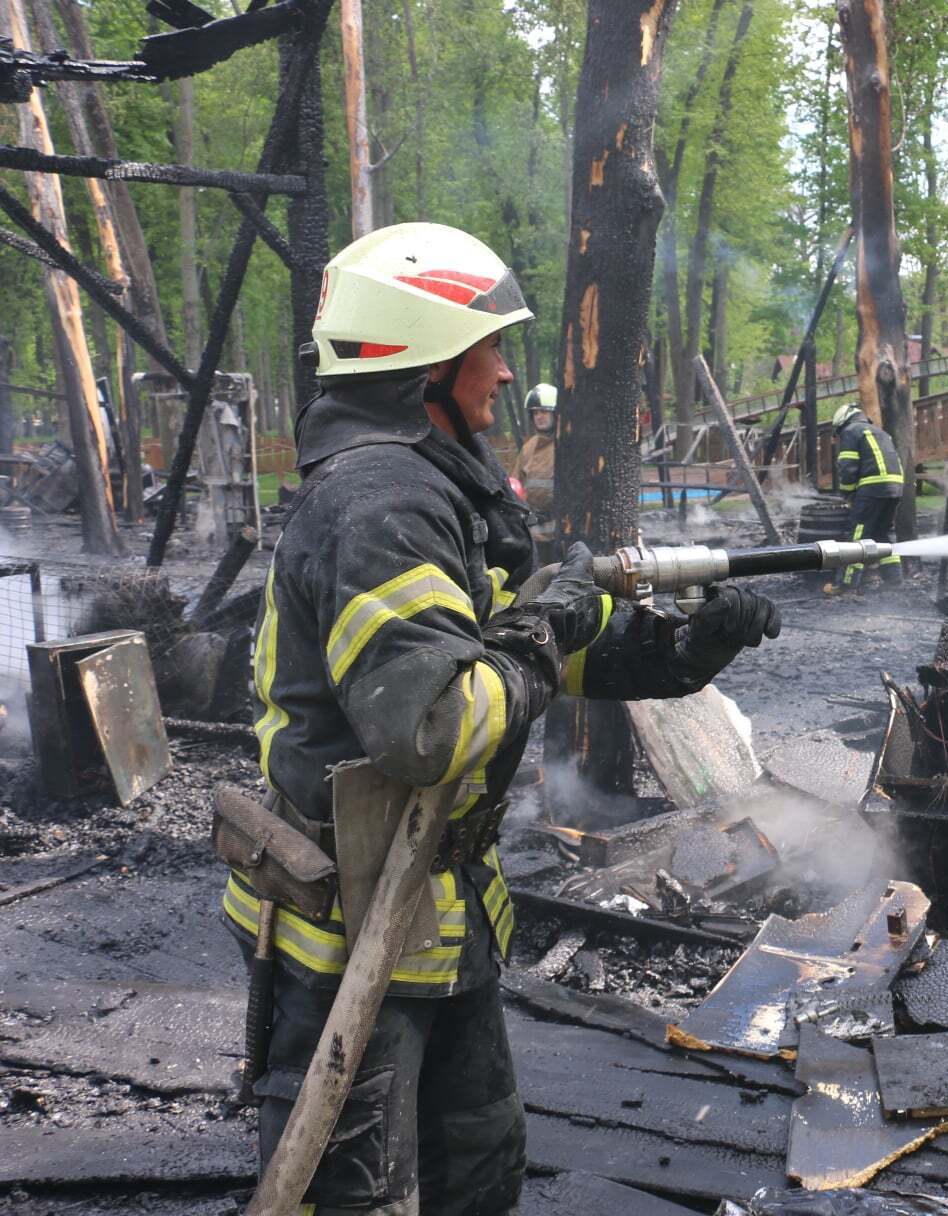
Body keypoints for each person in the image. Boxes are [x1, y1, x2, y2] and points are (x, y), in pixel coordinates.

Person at [224, 222, 781, 1215]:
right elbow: (431, 723)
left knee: (474, 1170)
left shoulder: (432, 489)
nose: (505, 369)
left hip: (436, 911)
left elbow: (536, 639)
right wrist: (545, 628)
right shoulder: (383, 506)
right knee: (357, 1195)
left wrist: (686, 649)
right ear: (423, 364)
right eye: (487, 346)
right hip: (358, 931)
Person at [828, 401, 905, 593]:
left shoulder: (850, 431)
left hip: (873, 487)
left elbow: (847, 467)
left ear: (841, 422)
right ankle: (894, 580)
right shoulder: (879, 431)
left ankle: (846, 584)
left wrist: (848, 493)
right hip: (895, 487)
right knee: (884, 532)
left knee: (857, 534)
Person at [508, 381, 557, 511]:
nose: (539, 417)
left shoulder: (566, 445)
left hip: (561, 523)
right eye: (535, 413)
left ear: (556, 414)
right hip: (532, 524)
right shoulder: (528, 448)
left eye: (544, 412)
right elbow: (515, 484)